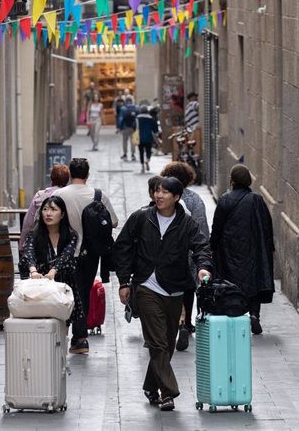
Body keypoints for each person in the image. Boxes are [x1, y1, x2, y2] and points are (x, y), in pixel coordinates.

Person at [114, 177, 212, 411]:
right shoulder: (141, 217)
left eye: (165, 192)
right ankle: (167, 393)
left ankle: (150, 385)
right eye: (157, 191)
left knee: (167, 344)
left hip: (175, 288)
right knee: (157, 341)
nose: (159, 195)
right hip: (146, 285)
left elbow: (202, 247)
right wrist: (124, 281)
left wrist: (203, 267)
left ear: (176, 197)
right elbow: (123, 246)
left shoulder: (186, 223)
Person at [53, 158, 118, 354]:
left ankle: (61, 333)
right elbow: (113, 222)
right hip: (90, 253)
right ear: (87, 174)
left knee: (63, 291)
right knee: (83, 293)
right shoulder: (98, 195)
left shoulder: (59, 194)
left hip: (64, 252)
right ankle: (80, 338)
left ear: (71, 174)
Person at [210, 165, 275, 335]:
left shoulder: (225, 199)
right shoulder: (257, 200)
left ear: (232, 180)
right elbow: (267, 227)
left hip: (229, 251)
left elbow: (217, 227)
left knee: (231, 283)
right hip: (252, 250)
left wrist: (211, 247)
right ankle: (254, 315)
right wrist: (268, 249)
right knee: (252, 282)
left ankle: (232, 311)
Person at [160, 162, 209, 351]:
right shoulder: (195, 200)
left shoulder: (165, 200)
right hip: (190, 252)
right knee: (188, 288)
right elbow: (202, 227)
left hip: (170, 253)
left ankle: (173, 322)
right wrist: (203, 252)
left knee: (170, 288)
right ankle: (186, 322)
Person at [19, 196, 84, 327]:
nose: (48, 213)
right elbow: (29, 252)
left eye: (53, 210)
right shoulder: (34, 234)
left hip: (62, 282)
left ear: (62, 214)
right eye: (45, 209)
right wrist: (33, 270)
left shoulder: (71, 235)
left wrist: (53, 271)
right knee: (41, 322)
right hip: (39, 285)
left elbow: (66, 255)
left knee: (63, 323)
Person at [19, 165, 71, 255]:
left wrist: (22, 244)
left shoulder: (40, 195)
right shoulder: (69, 197)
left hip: (41, 241)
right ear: (67, 180)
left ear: (51, 178)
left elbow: (28, 222)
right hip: (64, 242)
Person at [136, 105, 158, 174]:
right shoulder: (151, 118)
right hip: (148, 137)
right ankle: (147, 160)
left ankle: (142, 166)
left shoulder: (137, 118)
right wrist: (156, 134)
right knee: (148, 151)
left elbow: (134, 126)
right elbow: (155, 128)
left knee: (141, 152)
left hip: (140, 138)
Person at [119, 97, 138, 161]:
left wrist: (120, 127)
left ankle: (125, 154)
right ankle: (133, 154)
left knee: (125, 141)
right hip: (133, 127)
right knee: (133, 141)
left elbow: (121, 119)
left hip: (125, 127)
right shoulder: (135, 107)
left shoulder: (123, 108)